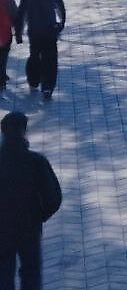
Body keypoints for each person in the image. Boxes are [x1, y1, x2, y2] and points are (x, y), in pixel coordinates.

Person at [0, 111, 62, 290]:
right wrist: (39, 216)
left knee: (4, 271)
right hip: (29, 227)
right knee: (31, 271)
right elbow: (54, 198)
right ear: (23, 132)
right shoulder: (36, 161)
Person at [15, 0, 66, 101]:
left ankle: (33, 81)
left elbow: (21, 14)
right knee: (50, 60)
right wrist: (61, 25)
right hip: (50, 31)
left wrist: (19, 34)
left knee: (34, 56)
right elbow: (61, 9)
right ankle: (47, 88)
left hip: (34, 32)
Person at [0, 0, 17, 91]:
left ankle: (2, 75)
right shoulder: (9, 0)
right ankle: (2, 80)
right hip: (5, 35)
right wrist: (18, 32)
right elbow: (15, 18)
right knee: (3, 58)